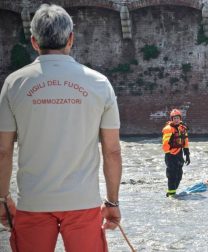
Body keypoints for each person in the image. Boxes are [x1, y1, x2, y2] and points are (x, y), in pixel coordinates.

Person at [0, 4, 122, 251]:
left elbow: (3, 151)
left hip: (33, 202)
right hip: (83, 202)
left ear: (34, 42)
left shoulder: (14, 84)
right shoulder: (99, 83)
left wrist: (3, 199)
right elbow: (112, 151)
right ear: (71, 39)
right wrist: (112, 201)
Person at [162, 109, 190, 197]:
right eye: (174, 118)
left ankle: (172, 191)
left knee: (179, 174)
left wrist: (187, 154)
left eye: (177, 118)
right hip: (170, 155)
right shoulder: (168, 129)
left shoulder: (183, 128)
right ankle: (171, 194)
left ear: (180, 118)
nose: (176, 120)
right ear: (171, 119)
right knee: (172, 174)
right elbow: (165, 144)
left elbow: (185, 140)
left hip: (179, 154)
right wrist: (169, 153)